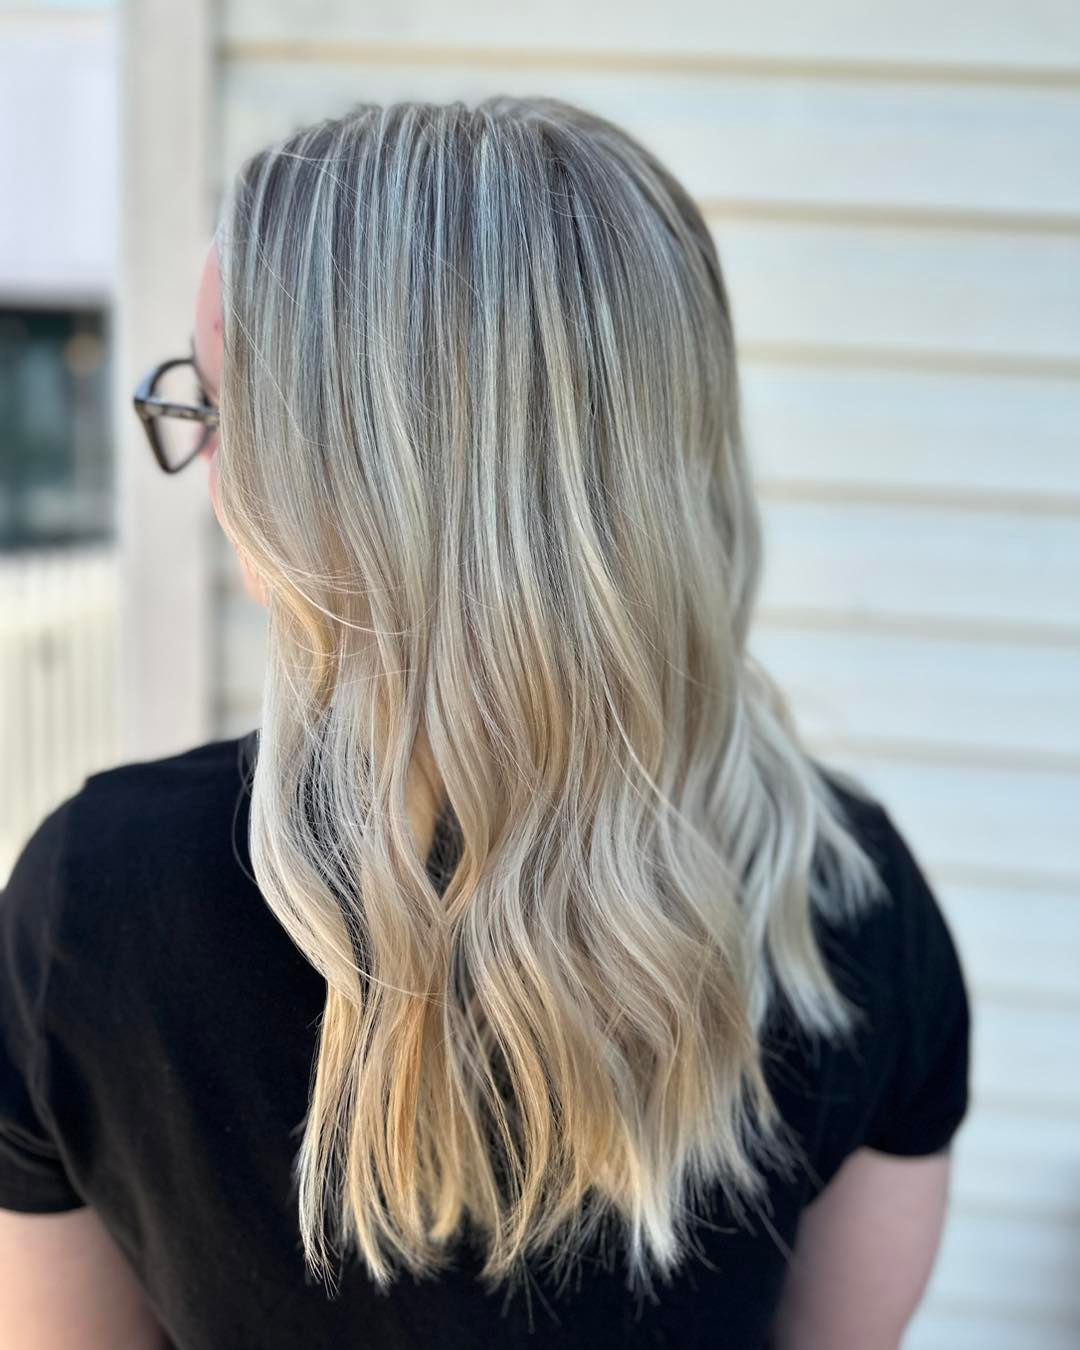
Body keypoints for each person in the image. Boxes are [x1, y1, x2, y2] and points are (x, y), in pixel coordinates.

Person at [0, 97, 970, 1349]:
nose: (211, 473)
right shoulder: (845, 914)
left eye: (219, 408)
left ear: (326, 479)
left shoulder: (98, 906)